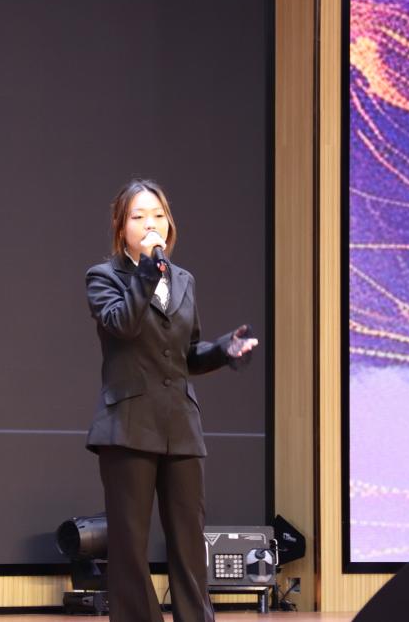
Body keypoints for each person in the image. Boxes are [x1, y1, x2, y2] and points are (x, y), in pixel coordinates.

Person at [85, 178, 259, 622]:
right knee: (129, 544)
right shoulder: (104, 277)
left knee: (189, 540)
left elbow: (186, 355)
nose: (151, 224)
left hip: (181, 425)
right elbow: (122, 325)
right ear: (121, 226)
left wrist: (223, 351)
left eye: (158, 215)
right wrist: (147, 271)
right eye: (139, 216)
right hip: (128, 425)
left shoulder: (183, 280)